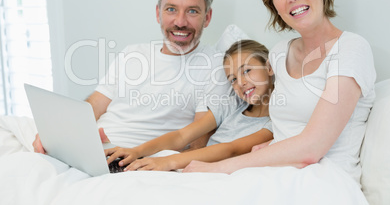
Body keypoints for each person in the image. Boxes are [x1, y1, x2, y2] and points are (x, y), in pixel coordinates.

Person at [183, 0, 376, 185]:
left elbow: (312, 146)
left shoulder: (351, 48)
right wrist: (269, 146)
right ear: (275, 6)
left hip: (324, 180)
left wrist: (221, 168)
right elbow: (284, 124)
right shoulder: (279, 53)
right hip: (275, 172)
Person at [32, 0, 230, 153]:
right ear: (157, 13)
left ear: (207, 17)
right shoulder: (133, 53)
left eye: (192, 11)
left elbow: (197, 145)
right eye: (171, 9)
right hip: (92, 148)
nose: (180, 21)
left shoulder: (215, 66)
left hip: (136, 161)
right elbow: (95, 104)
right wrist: (59, 132)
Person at [104, 39, 274, 171]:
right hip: (190, 165)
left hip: (210, 171)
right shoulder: (232, 105)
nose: (241, 82)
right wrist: (138, 151)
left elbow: (231, 149)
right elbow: (181, 136)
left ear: (269, 67)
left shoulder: (275, 122)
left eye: (247, 71)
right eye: (233, 79)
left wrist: (167, 162)